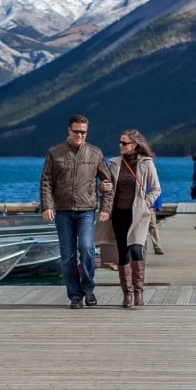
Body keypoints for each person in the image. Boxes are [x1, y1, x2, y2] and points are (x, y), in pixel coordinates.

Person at [40, 114, 114, 309]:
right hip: (62, 211)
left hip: (86, 211)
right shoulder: (55, 153)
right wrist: (47, 206)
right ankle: (74, 295)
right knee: (67, 256)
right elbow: (46, 181)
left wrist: (105, 208)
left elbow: (108, 183)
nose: (80, 135)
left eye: (84, 132)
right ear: (69, 130)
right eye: (76, 132)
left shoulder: (95, 153)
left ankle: (88, 288)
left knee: (87, 248)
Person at [101, 129, 161, 307]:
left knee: (136, 248)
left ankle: (138, 292)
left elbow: (156, 189)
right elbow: (108, 188)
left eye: (124, 143)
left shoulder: (146, 163)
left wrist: (146, 203)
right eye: (120, 142)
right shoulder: (114, 163)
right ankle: (127, 294)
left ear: (134, 145)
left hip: (139, 214)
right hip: (119, 213)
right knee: (123, 252)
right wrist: (102, 188)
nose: (120, 145)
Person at [148, 188, 164, 255]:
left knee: (153, 226)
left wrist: (158, 206)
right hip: (137, 205)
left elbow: (157, 190)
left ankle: (157, 246)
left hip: (150, 205)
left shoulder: (151, 177)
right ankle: (140, 245)